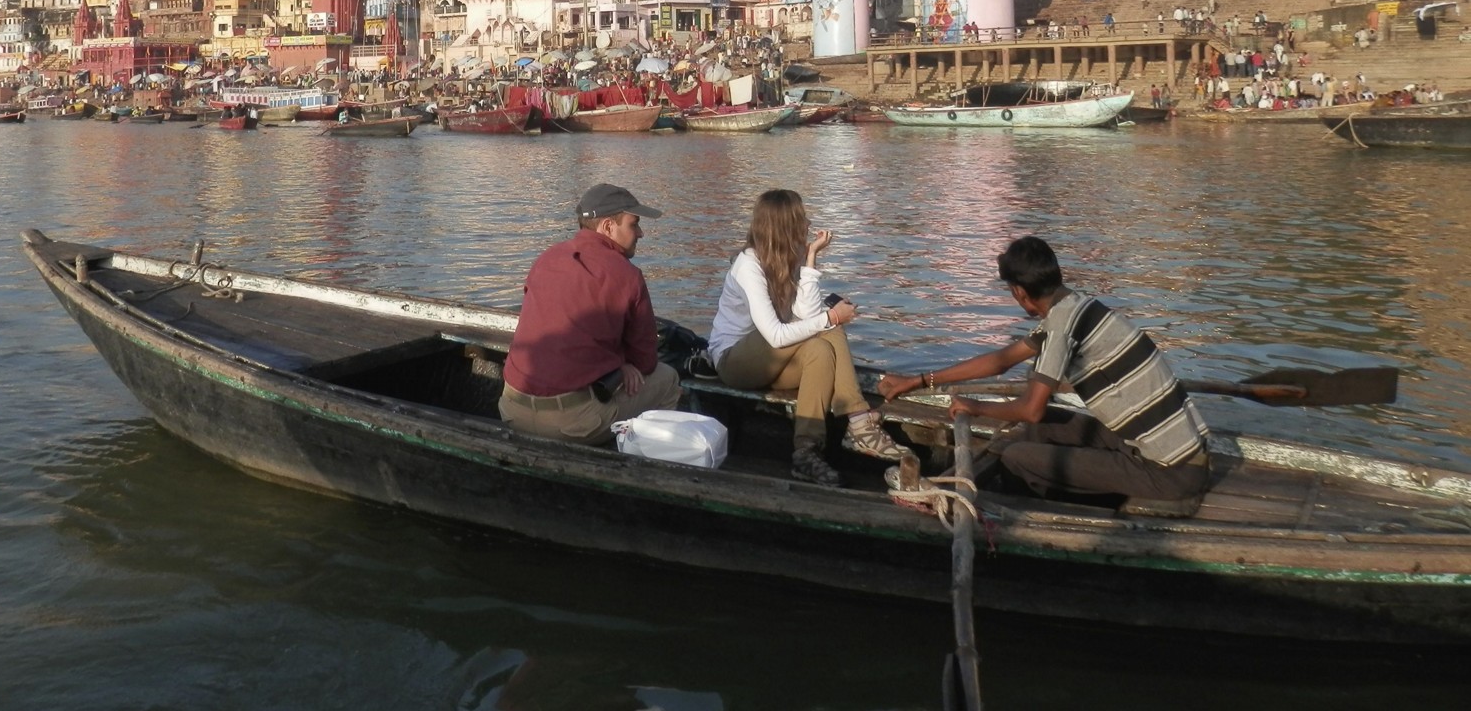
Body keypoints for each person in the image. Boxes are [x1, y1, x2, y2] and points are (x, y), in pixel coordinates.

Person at [878, 236, 1210, 512]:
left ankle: (1025, 520)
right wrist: (920, 380)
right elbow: (1001, 360)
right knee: (1041, 428)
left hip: (1169, 471)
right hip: (1166, 451)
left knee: (1017, 456)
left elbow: (1030, 409)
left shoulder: (1061, 329)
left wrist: (975, 408)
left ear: (1019, 293)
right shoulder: (1075, 305)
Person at [707, 189, 907, 486]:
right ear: (786, 225)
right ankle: (859, 422)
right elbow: (775, 335)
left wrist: (811, 257)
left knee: (821, 350)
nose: (808, 223)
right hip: (735, 361)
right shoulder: (748, 264)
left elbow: (806, 311)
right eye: (802, 218)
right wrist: (832, 318)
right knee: (828, 324)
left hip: (774, 362)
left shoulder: (792, 256)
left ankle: (806, 451)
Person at [499, 183, 681, 445]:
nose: (640, 233)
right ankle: (644, 466)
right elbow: (646, 362)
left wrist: (618, 362)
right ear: (608, 227)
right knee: (667, 379)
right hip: (572, 424)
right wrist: (623, 363)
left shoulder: (546, 258)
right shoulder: (628, 276)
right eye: (634, 224)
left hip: (511, 410)